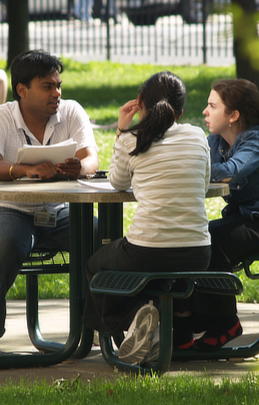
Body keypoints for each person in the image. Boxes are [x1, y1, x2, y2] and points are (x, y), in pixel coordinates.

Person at [0, 50, 99, 355]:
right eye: (47, 86)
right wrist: (25, 170)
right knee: (5, 244)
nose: (56, 93)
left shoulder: (71, 112)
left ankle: (99, 324)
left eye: (59, 85)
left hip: (59, 210)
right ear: (22, 90)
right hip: (8, 210)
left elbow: (91, 158)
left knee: (102, 237)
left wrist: (79, 168)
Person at [82, 71, 212, 365]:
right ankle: (144, 327)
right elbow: (203, 187)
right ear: (181, 111)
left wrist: (121, 129)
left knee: (95, 266)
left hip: (147, 251)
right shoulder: (196, 135)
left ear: (140, 103)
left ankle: (129, 325)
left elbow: (117, 183)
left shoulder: (132, 139)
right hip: (198, 252)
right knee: (149, 267)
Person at [181, 78, 259, 351]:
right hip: (251, 220)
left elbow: (229, 172)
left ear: (234, 115)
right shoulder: (216, 141)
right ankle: (193, 320)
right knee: (196, 237)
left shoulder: (257, 140)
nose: (205, 111)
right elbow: (199, 163)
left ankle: (224, 323)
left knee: (214, 239)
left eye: (212, 106)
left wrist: (186, 168)